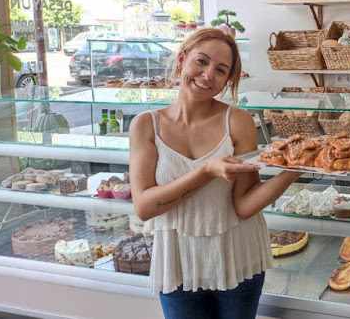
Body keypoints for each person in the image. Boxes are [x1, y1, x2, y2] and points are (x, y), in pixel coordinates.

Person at [129, 28, 301, 319]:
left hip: (238, 257)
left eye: (220, 70)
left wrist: (294, 168)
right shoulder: (146, 125)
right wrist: (207, 171)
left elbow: (244, 205)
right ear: (183, 59)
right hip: (179, 261)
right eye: (201, 61)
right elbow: (145, 207)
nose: (208, 75)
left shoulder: (238, 121)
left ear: (227, 81)